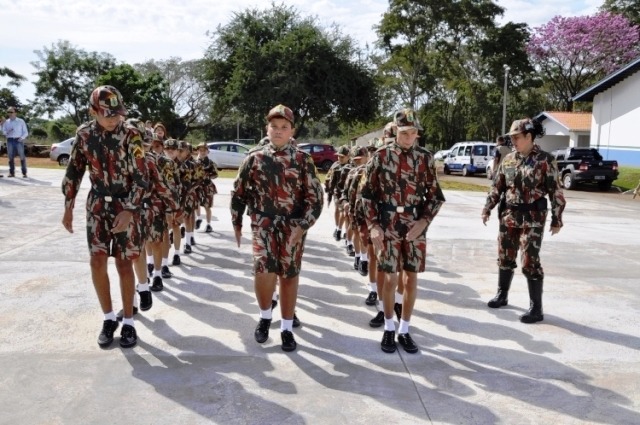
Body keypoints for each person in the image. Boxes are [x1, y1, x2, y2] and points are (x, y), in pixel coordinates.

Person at [231, 104, 323, 352]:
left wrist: (303, 227)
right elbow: (238, 193)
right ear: (267, 129)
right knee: (263, 271)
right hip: (263, 224)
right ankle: (264, 316)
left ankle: (286, 328)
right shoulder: (254, 158)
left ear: (292, 130)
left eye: (284, 127)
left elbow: (316, 199)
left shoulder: (303, 160)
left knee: (289, 276)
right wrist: (237, 222)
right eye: (274, 126)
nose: (279, 131)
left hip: (292, 226)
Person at [61, 85, 148, 348]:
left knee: (124, 263)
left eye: (117, 113)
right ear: (93, 111)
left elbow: (142, 177)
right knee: (97, 261)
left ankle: (129, 322)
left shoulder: (131, 135)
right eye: (107, 114)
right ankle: (109, 318)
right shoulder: (85, 135)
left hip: (126, 203)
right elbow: (74, 170)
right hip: (97, 205)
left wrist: (130, 210)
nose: (113, 118)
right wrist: (68, 204)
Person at [361, 108, 445, 354]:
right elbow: (366, 195)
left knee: (411, 278)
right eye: (405, 132)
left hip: (414, 224)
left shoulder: (425, 158)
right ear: (396, 130)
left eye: (413, 132)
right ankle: (388, 327)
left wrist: (424, 221)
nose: (409, 137)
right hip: (387, 223)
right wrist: (373, 226)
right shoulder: (381, 156)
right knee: (390, 278)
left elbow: (435, 197)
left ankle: (404, 329)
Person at [482, 118, 566, 323]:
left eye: (517, 137)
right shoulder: (509, 159)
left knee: (529, 261)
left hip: (533, 219)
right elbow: (497, 187)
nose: (514, 141)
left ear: (529, 136)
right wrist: (487, 208)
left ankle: (536, 309)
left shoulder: (545, 160)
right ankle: (502, 295)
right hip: (509, 215)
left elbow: (556, 192)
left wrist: (557, 218)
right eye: (511, 138)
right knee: (505, 257)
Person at [1, 106, 29, 178]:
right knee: (10, 157)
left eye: (11, 112)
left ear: (15, 113)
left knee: (22, 156)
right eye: (8, 112)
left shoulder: (21, 121)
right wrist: (7, 131)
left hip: (18, 140)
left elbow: (25, 132)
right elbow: (3, 132)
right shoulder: (6, 122)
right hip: (9, 140)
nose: (9, 113)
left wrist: (21, 138)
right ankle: (12, 173)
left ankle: (24, 172)